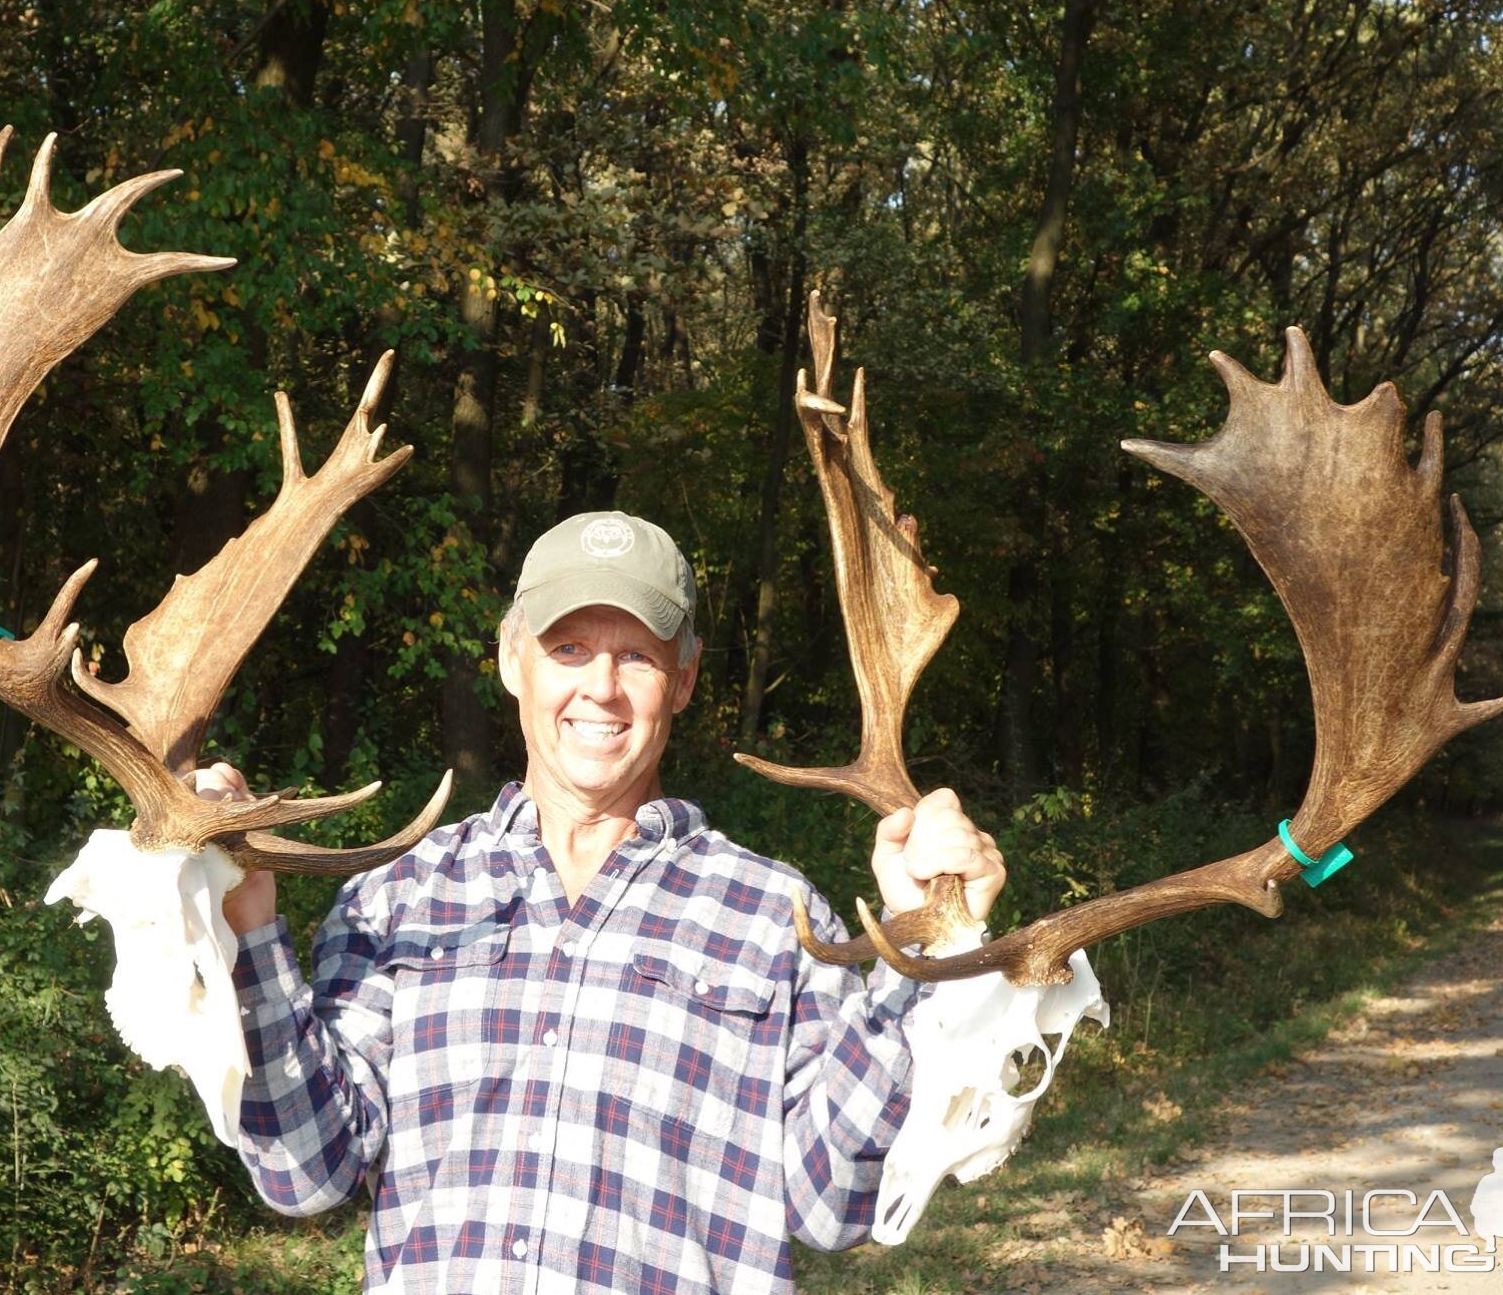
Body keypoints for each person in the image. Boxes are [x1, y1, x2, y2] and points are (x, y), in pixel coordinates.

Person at [199, 510, 1005, 1292]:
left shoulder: (773, 918)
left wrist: (919, 946)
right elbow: (307, 1172)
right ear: (514, 660)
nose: (602, 688)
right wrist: (249, 930)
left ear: (683, 678)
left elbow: (837, 1207)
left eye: (639, 658)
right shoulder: (397, 899)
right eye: (569, 647)